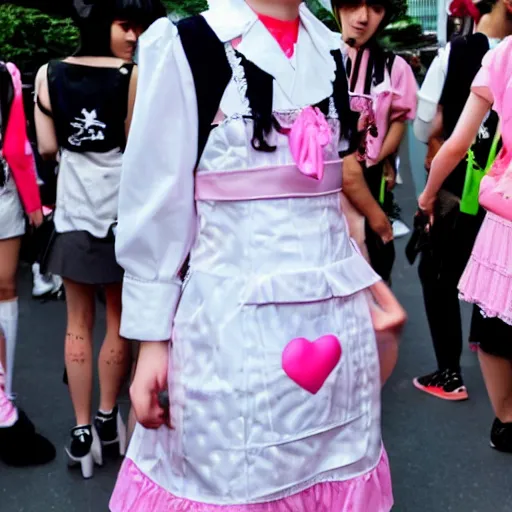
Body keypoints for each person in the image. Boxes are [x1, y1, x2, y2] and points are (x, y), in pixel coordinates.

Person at [109, 0, 406, 510]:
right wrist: (151, 341)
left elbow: (332, 200)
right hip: (228, 333)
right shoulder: (188, 46)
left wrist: (371, 286)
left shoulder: (331, 50)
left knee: (332, 475)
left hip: (334, 326)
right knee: (229, 482)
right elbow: (156, 203)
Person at [33, 0, 166, 479]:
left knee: (76, 323)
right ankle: (110, 417)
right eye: (125, 25)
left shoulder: (49, 74)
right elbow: (139, 143)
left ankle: (82, 429)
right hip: (120, 217)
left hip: (72, 213)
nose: (133, 36)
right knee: (118, 317)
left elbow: (47, 148)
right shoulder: (132, 76)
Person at [411, 0, 512, 402]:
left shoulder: (463, 53)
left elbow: (426, 128)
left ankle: (450, 373)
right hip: (495, 188)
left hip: (469, 193)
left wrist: (427, 193)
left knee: (440, 276)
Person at [325, 0, 417, 283]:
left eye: (376, 7)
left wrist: (380, 158)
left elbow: (400, 119)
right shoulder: (318, 59)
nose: (363, 17)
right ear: (336, 5)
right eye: (353, 3)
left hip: (369, 177)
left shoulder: (394, 67)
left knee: (375, 270)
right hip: (324, 185)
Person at [0, 60, 43, 402]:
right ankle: (5, 392)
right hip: (4, 195)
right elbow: (17, 148)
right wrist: (34, 205)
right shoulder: (6, 74)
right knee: (5, 289)